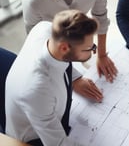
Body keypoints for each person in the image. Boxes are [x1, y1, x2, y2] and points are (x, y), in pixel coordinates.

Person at [5, 9, 103, 146]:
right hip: (35, 137)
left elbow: (62, 61)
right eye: (88, 49)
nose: (93, 52)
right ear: (64, 48)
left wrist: (75, 79)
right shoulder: (37, 90)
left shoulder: (45, 28)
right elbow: (58, 143)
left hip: (50, 111)